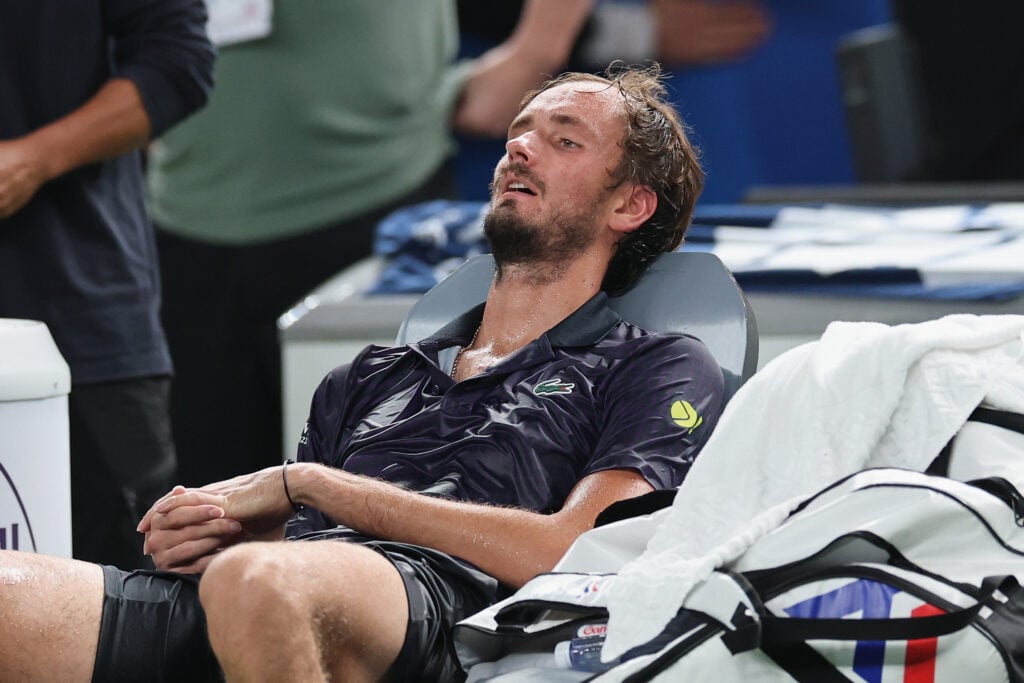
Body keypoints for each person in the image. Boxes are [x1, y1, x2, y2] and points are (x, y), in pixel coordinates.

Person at [0, 64, 722, 682]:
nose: (520, 150)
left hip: (463, 616)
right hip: (289, 597)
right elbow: (303, 553)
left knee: (258, 582)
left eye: (563, 139)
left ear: (629, 204)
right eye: (517, 134)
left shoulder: (655, 363)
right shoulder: (369, 375)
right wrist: (219, 537)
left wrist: (310, 485)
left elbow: (577, 551)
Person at [148, 0, 598, 489]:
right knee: (204, 513)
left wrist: (538, 47)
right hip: (182, 220)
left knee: (405, 501)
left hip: (384, 206)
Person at [0, 1, 215, 568]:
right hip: (81, 313)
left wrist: (34, 158)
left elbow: (178, 63)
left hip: (76, 307)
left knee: (131, 600)